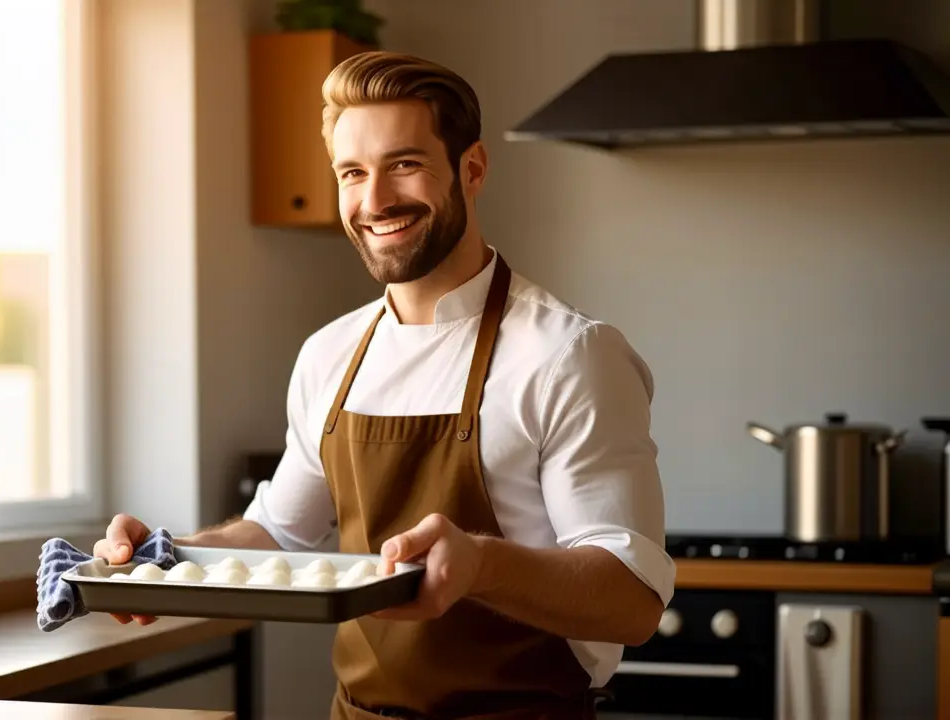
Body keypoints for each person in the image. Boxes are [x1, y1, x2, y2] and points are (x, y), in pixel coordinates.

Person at [95, 50, 675, 719]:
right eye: (352, 173)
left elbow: (632, 603)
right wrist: (162, 558)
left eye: (404, 164)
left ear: (472, 169)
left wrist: (481, 565)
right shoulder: (329, 355)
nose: (374, 202)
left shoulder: (569, 355)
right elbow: (279, 533)